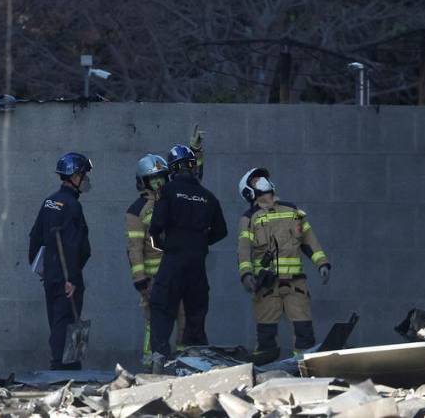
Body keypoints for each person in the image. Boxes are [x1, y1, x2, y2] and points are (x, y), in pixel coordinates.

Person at [237, 168, 330, 361]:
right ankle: (264, 372)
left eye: (262, 178)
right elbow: (244, 249)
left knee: (304, 331)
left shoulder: (292, 211)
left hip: (296, 285)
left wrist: (322, 263)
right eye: (255, 180)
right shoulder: (249, 218)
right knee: (266, 335)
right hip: (267, 286)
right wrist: (246, 274)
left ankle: (305, 369)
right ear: (248, 191)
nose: (262, 181)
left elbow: (309, 240)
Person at [148, 145, 227, 371]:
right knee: (195, 313)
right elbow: (221, 231)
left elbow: (156, 225)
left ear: (172, 169)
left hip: (173, 260)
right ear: (193, 169)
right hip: (197, 265)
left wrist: (166, 242)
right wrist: (200, 243)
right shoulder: (208, 196)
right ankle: (196, 365)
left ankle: (159, 361)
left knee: (162, 308)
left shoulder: (168, 191)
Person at [28, 152, 93, 370]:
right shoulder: (73, 206)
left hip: (51, 275)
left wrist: (42, 269)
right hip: (68, 277)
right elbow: (79, 247)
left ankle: (59, 363)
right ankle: (63, 367)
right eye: (84, 175)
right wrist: (72, 279)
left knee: (56, 321)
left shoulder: (49, 202)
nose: (86, 180)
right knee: (67, 322)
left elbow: (35, 237)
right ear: (75, 177)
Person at [126, 153, 186, 366]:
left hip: (179, 275)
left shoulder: (175, 201)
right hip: (154, 280)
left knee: (184, 319)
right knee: (154, 323)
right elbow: (134, 249)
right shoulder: (136, 211)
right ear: (143, 182)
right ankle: (150, 366)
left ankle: (183, 365)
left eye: (162, 177)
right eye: (153, 179)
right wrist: (141, 281)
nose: (158, 183)